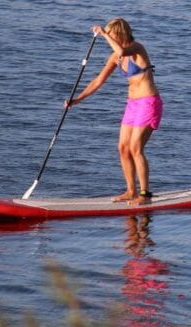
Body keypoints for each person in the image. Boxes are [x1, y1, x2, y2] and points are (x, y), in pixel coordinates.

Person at [65, 18, 162, 206]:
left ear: (119, 33)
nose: (107, 38)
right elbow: (97, 81)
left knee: (136, 148)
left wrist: (103, 34)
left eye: (111, 34)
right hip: (132, 105)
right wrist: (77, 100)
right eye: (107, 34)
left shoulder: (136, 48)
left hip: (149, 102)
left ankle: (145, 194)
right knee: (123, 148)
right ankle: (130, 191)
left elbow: (122, 50)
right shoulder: (115, 57)